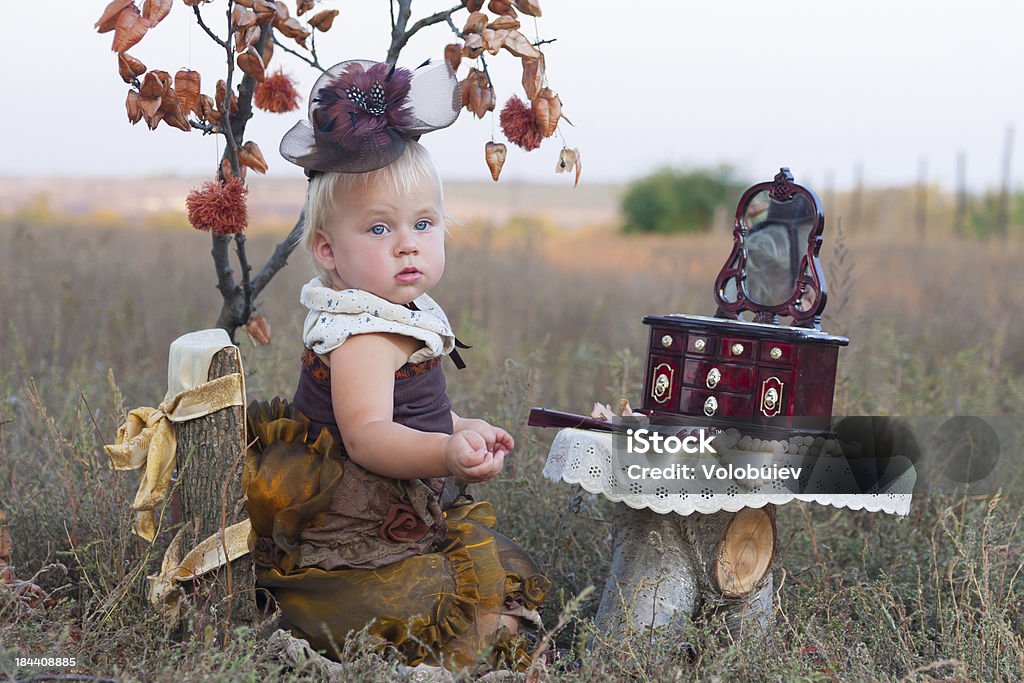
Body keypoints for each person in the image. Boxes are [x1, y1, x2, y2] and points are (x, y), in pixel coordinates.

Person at [243, 59, 550, 672]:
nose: (407, 243)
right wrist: (441, 455)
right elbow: (370, 436)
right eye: (380, 228)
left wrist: (457, 426)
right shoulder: (362, 335)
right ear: (328, 249)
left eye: (423, 224)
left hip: (395, 509)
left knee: (492, 581)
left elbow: (407, 407)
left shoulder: (389, 309)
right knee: (435, 609)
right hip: (356, 527)